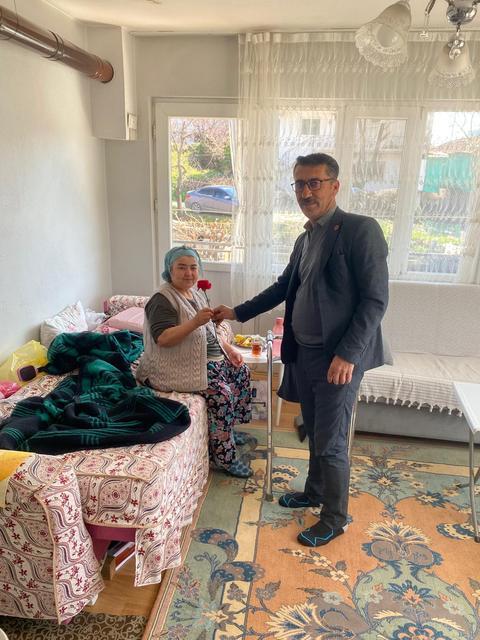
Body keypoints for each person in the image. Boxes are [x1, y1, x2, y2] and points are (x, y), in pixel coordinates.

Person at [214, 153, 389, 546]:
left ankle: (335, 517)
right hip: (305, 353)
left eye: (314, 183)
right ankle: (314, 492)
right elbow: (282, 287)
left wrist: (347, 354)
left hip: (337, 358)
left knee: (331, 440)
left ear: (334, 186)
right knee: (312, 428)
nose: (306, 192)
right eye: (299, 184)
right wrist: (237, 312)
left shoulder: (360, 230)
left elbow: (375, 301)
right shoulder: (305, 238)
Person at [136, 246, 254, 478]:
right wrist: (195, 322)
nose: (189, 273)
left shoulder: (195, 294)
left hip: (202, 359)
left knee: (241, 372)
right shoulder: (162, 299)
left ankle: (228, 431)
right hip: (173, 367)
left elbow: (209, 332)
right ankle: (224, 457)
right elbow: (163, 339)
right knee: (221, 394)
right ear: (169, 270)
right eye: (181, 267)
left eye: (193, 267)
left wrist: (229, 349)